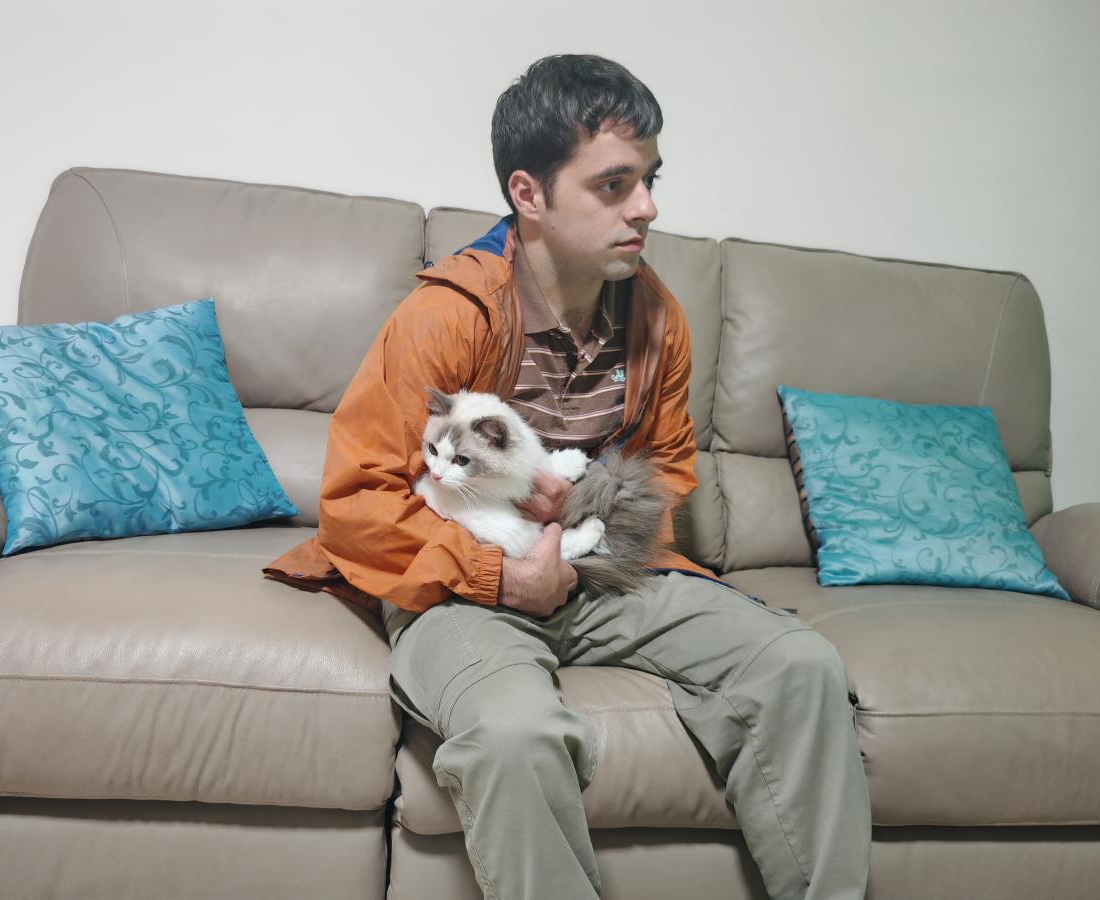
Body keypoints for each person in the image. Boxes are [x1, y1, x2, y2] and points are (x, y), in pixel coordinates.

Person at [265, 53, 871, 900]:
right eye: (614, 185)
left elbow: (667, 470)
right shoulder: (445, 316)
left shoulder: (658, 317)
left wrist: (584, 538)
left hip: (602, 574)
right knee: (514, 734)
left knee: (801, 666)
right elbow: (359, 502)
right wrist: (501, 575)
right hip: (457, 588)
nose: (646, 207)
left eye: (650, 180)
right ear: (529, 193)